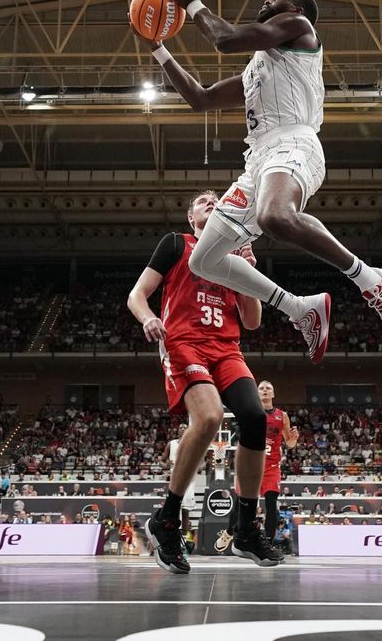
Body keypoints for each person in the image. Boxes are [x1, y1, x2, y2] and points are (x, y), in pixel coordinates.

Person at [151, 0, 382, 359]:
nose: (268, 1)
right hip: (258, 159)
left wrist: (194, 3)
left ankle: (373, 282)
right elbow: (200, 98)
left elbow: (226, 40)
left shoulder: (299, 27)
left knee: (275, 216)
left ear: (293, 11)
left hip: (294, 142)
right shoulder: (258, 70)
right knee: (203, 261)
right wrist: (158, 48)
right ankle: (300, 308)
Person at [126, 189, 284, 573]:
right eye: (203, 202)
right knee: (210, 418)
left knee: (255, 417)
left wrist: (251, 272)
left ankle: (245, 529)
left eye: (217, 201)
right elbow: (136, 295)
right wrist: (148, 317)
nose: (212, 203)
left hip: (226, 348)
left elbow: (252, 322)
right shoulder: (177, 244)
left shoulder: (233, 256)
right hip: (184, 343)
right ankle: (167, 519)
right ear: (191, 216)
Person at [258, 380, 299, 545]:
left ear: (273, 394)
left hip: (271, 466)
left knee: (271, 504)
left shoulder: (282, 416)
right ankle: (237, 535)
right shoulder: (251, 411)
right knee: (243, 504)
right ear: (257, 393)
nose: (265, 390)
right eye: (261, 388)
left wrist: (294, 438)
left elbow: (289, 443)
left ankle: (268, 542)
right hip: (252, 464)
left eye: (268, 388)